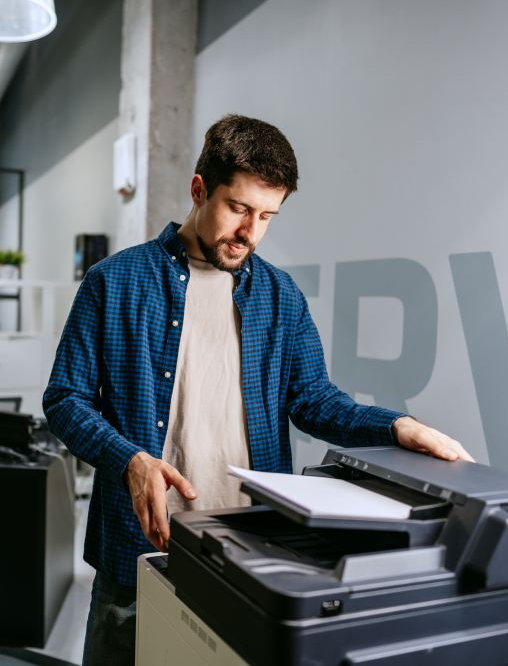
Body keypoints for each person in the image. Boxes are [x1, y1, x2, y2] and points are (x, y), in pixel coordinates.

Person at [43, 114, 474, 665]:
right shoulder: (114, 281)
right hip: (138, 549)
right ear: (200, 189)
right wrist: (130, 461)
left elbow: (314, 400)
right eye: (239, 208)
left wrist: (398, 426)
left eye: (268, 215)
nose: (251, 232)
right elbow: (65, 399)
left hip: (250, 551)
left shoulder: (281, 296)